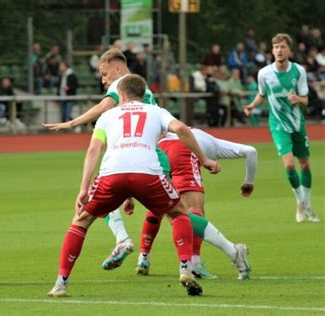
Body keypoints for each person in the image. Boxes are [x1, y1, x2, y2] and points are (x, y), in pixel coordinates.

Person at [43, 48, 227, 273]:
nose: (103, 80)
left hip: (140, 157)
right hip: (147, 155)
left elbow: (103, 108)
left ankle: (124, 242)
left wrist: (71, 123)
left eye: (104, 73)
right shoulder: (143, 88)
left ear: (118, 69)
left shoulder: (121, 86)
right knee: (170, 211)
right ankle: (151, 257)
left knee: (95, 199)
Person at [135, 128, 255, 280]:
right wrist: (249, 183)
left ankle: (143, 258)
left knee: (162, 205)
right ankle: (212, 258)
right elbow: (251, 151)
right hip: (183, 150)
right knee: (191, 211)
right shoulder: (209, 142)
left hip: (152, 152)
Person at [244, 33, 320, 223]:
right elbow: (262, 94)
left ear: (289, 50)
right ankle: (301, 204)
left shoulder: (298, 71)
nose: (279, 50)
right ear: (272, 51)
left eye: (283, 47)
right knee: (288, 164)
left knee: (304, 164)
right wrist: (253, 105)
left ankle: (307, 205)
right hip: (278, 124)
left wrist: (298, 99)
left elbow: (306, 99)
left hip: (297, 123)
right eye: (276, 47)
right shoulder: (264, 73)